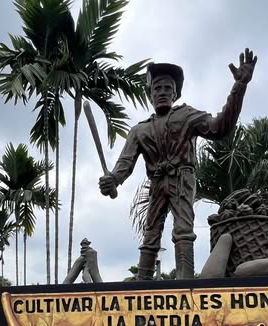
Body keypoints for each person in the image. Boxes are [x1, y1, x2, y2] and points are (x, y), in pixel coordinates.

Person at [99, 48, 257, 279]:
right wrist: (112, 180)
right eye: (157, 88)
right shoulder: (139, 130)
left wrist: (239, 86)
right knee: (151, 232)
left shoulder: (187, 116)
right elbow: (125, 163)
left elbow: (220, 127)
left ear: (175, 94)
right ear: (150, 95)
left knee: (183, 229)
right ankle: (143, 281)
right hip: (157, 182)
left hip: (182, 178)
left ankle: (185, 280)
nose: (162, 92)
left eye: (167, 88)